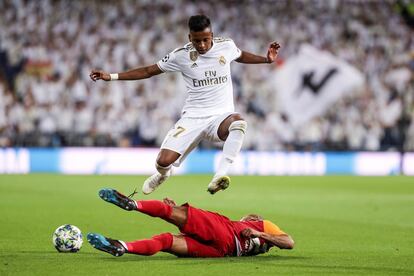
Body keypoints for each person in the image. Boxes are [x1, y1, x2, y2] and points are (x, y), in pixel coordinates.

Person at [89, 15, 280, 195]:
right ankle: (164, 174)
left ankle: (220, 175)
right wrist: (111, 76)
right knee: (162, 162)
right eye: (197, 41)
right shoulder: (180, 56)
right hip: (192, 118)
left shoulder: (226, 46)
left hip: (220, 117)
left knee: (239, 123)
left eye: (206, 39)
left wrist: (266, 59)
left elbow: (240, 55)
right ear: (190, 37)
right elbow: (148, 71)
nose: (202, 45)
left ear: (211, 35)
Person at [87, 189, 294, 257]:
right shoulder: (255, 237)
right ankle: (123, 247)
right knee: (166, 241)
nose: (246, 219)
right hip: (220, 253)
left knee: (168, 211)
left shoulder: (263, 226)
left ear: (255, 220)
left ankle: (132, 203)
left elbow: (289, 242)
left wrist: (262, 233)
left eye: (249, 218)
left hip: (224, 233)